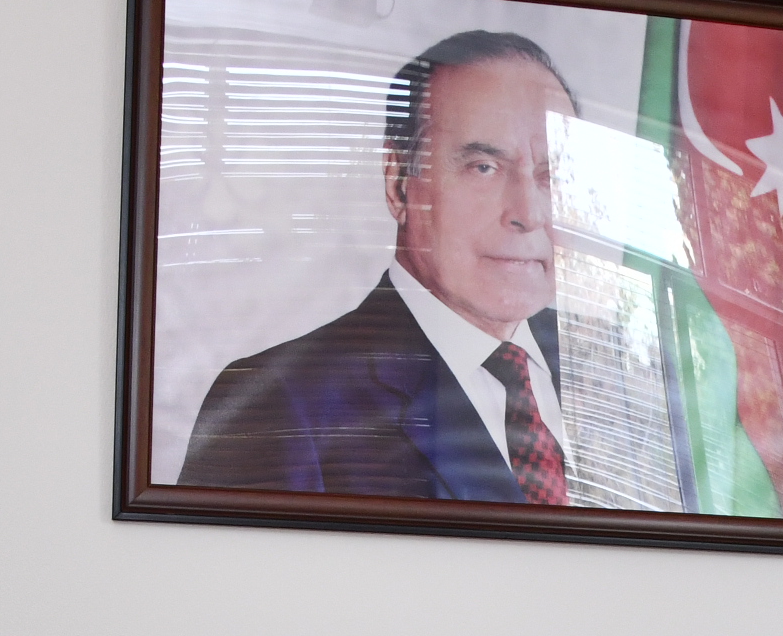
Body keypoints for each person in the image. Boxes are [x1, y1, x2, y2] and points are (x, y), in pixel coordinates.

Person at [177, 31, 585, 504]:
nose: (528, 213)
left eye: (553, 175)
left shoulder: (619, 378)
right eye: (483, 167)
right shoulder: (277, 405)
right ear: (398, 183)